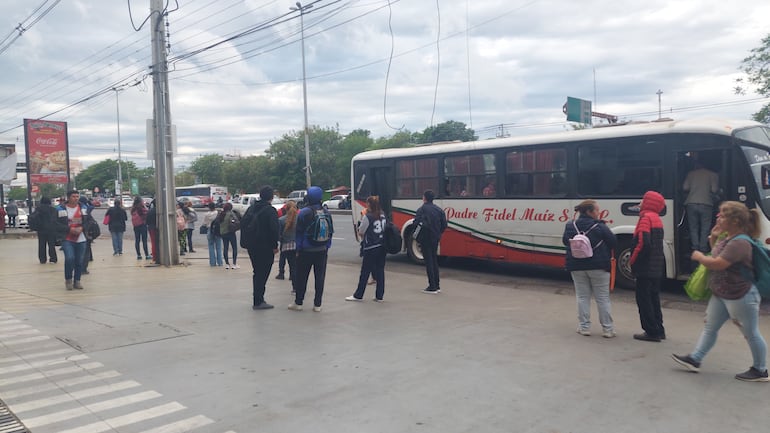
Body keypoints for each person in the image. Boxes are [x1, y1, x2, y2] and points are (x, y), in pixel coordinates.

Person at [672, 201, 768, 382]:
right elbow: (717, 254)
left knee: (751, 333)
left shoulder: (740, 243)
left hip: (741, 295)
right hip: (723, 293)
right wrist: (713, 238)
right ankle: (695, 359)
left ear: (735, 221)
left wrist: (699, 256)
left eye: (723, 216)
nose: (718, 218)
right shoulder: (728, 238)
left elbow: (718, 263)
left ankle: (760, 370)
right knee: (710, 327)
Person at [562, 200, 618, 338]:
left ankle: (584, 327)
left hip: (576, 265)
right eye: (597, 210)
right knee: (602, 298)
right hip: (599, 266)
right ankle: (608, 329)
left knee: (582, 297)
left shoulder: (570, 225)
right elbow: (613, 242)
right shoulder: (600, 227)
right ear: (589, 211)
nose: (598, 213)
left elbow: (565, 241)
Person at [630, 190, 666, 342]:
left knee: (644, 300)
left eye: (643, 200)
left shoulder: (645, 218)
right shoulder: (656, 218)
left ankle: (651, 331)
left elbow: (642, 243)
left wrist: (633, 261)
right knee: (654, 298)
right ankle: (659, 329)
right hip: (656, 267)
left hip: (645, 267)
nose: (640, 203)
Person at [289, 186, 332, 312]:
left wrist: (298, 249)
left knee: (302, 277)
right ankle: (317, 305)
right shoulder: (326, 212)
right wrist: (326, 246)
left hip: (306, 251)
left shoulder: (304, 212)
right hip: (322, 250)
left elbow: (298, 232)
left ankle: (299, 303)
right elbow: (330, 232)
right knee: (320, 277)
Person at [347, 195, 387, 302]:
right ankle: (379, 296)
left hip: (371, 247)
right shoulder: (383, 214)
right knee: (380, 271)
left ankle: (358, 295)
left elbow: (361, 232)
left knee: (365, 272)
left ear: (369, 205)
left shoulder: (368, 217)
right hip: (381, 246)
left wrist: (362, 218)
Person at [245, 186, 280, 310]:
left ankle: (258, 298)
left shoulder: (251, 208)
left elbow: (243, 224)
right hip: (265, 247)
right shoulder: (270, 211)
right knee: (262, 273)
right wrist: (275, 246)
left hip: (252, 246)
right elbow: (274, 230)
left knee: (257, 272)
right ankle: (258, 300)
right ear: (271, 197)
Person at [413, 189, 447, 294]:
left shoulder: (422, 209)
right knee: (434, 260)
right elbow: (444, 225)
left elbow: (415, 223)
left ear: (424, 198)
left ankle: (432, 286)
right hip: (435, 238)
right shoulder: (439, 210)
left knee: (429, 262)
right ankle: (437, 285)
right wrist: (438, 233)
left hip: (425, 238)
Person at [683, 159, 719, 253]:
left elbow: (685, 187)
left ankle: (695, 247)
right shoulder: (713, 174)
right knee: (705, 227)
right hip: (706, 203)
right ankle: (703, 248)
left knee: (693, 227)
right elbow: (714, 189)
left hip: (691, 202)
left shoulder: (690, 174)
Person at [56, 190, 89, 290]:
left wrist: (82, 228)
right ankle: (68, 279)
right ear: (68, 197)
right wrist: (69, 229)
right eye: (73, 196)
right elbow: (56, 224)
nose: (76, 198)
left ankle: (77, 281)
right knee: (70, 258)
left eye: (77, 196)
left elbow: (88, 221)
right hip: (67, 238)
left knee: (79, 260)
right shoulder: (60, 209)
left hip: (81, 238)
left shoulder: (83, 208)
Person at [276, 200, 298, 281]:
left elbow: (279, 235)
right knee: (293, 263)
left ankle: (281, 273)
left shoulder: (281, 220)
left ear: (286, 209)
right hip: (296, 244)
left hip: (285, 244)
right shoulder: (299, 218)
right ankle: (292, 276)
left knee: (282, 258)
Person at [33, 197, 59, 264]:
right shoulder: (53, 209)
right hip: (51, 229)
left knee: (41, 245)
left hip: (41, 229)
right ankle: (53, 258)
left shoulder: (38, 209)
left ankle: (42, 259)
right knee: (51, 245)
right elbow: (56, 219)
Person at [218, 202, 239, 269]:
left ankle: (227, 264)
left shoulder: (221, 214)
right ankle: (234, 264)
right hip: (231, 232)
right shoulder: (231, 213)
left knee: (225, 248)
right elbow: (236, 221)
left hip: (223, 233)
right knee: (234, 248)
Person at [202, 203, 223, 267]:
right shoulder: (218, 213)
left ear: (209, 207)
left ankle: (212, 263)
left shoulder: (207, 214)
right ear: (215, 207)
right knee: (219, 247)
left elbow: (204, 223)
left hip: (209, 230)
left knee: (211, 246)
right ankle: (220, 262)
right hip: (217, 231)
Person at [79, 196, 95, 274]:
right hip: (86, 231)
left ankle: (80, 267)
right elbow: (92, 207)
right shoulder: (86, 207)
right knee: (87, 250)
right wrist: (89, 202)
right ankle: (84, 268)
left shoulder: (78, 207)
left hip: (78, 231)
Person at [131, 196, 150, 260]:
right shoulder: (141, 207)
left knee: (137, 240)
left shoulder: (133, 209)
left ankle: (138, 255)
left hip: (136, 226)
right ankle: (147, 255)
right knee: (144, 240)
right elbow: (147, 213)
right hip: (142, 225)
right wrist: (145, 206)